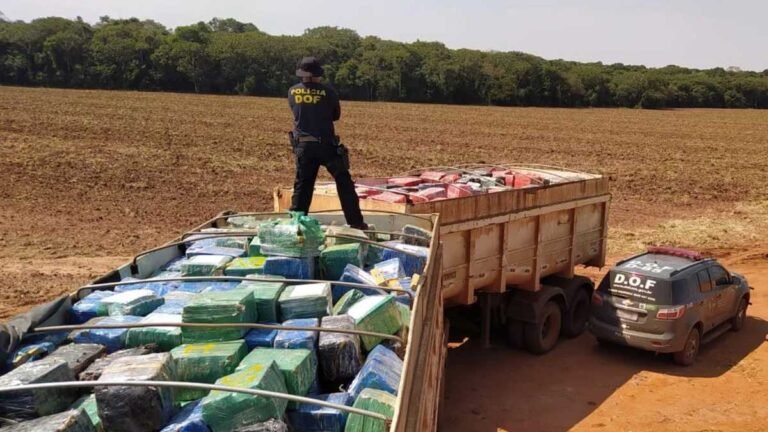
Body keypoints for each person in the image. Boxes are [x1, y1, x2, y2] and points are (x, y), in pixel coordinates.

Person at [288, 56, 367, 229]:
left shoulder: (292, 91)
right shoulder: (328, 92)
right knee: (343, 181)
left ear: (301, 74)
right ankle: (356, 223)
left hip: (304, 146)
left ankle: (295, 224)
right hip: (326, 146)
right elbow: (335, 116)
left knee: (303, 185)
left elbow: (296, 112)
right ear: (318, 74)